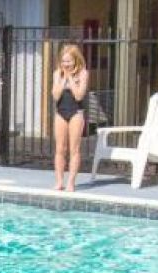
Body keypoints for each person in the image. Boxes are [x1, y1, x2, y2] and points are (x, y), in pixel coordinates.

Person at [50, 44, 91, 192]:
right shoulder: (57, 74)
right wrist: (62, 79)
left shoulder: (82, 74)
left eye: (69, 61)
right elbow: (55, 95)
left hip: (76, 113)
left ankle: (71, 182)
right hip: (61, 112)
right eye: (63, 61)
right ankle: (59, 181)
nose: (66, 64)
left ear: (75, 60)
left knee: (74, 149)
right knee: (60, 149)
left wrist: (70, 78)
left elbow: (79, 95)